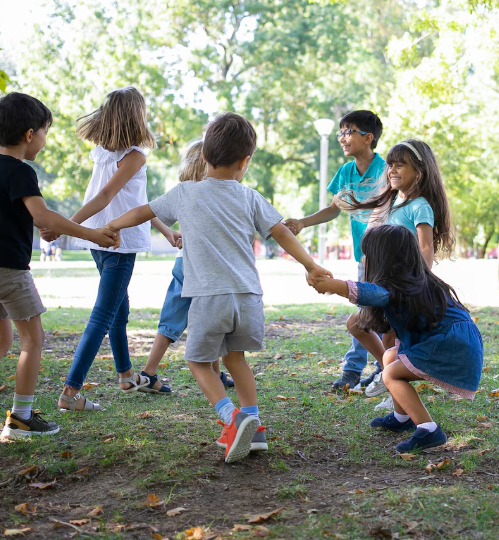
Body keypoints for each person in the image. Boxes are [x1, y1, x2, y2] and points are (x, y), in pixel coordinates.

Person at [102, 112, 332, 463]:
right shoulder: (250, 196)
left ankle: (232, 417)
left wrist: (113, 225)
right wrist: (311, 265)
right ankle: (255, 428)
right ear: (245, 162)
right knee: (235, 360)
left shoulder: (184, 193)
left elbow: (144, 212)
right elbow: (282, 231)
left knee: (197, 361)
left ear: (204, 157)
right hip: (249, 298)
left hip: (209, 298)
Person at [0, 92, 117, 443]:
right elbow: (42, 215)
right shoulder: (21, 172)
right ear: (29, 135)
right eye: (44, 132)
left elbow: (21, 217)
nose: (45, 139)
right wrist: (93, 234)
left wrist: (45, 226)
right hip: (7, 271)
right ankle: (21, 417)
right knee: (32, 341)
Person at [40, 87, 181, 413]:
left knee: (120, 308)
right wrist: (63, 225)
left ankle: (126, 375)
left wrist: (165, 229)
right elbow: (104, 197)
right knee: (104, 315)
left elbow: (137, 202)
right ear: (137, 116)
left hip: (99, 241)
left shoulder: (104, 152)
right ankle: (70, 392)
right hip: (117, 242)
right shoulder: (133, 156)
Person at [312, 224, 483, 453]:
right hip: (451, 342)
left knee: (391, 373)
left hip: (450, 345)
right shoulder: (413, 281)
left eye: (367, 254)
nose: (363, 259)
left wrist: (335, 286)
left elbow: (372, 292)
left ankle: (429, 430)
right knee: (390, 356)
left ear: (383, 259)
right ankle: (401, 417)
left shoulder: (397, 287)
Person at [339, 139, 455, 401]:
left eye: (400, 164)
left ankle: (393, 388)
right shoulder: (392, 204)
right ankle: (387, 372)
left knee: (391, 339)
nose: (392, 169)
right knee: (358, 326)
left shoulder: (420, 206)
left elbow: (426, 248)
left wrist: (421, 283)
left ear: (419, 172)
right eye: (390, 164)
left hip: (404, 287)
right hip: (384, 285)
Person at [283, 110, 386, 391]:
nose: (342, 138)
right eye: (340, 132)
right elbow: (333, 209)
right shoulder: (345, 172)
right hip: (363, 258)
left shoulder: (387, 170)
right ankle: (378, 368)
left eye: (348, 132)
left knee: (370, 315)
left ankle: (361, 371)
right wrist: (302, 222)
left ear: (368, 138)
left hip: (387, 259)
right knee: (366, 314)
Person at [138, 140, 236, 397]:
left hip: (183, 262)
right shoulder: (216, 190)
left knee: (173, 318)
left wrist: (170, 232)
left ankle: (149, 372)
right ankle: (211, 372)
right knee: (211, 317)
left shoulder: (183, 190)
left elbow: (149, 211)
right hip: (204, 266)